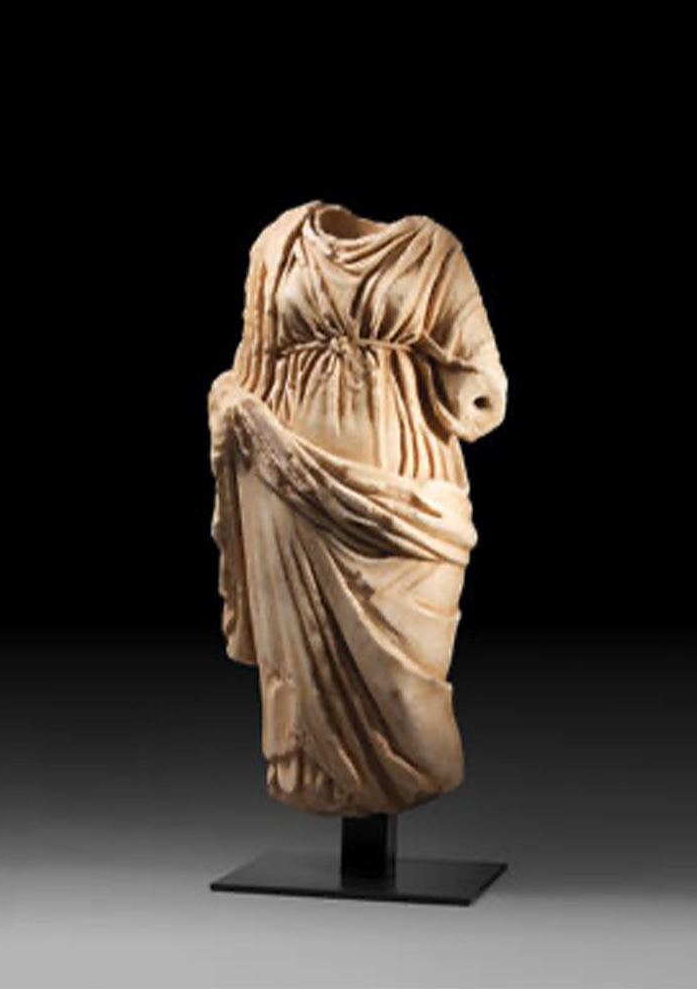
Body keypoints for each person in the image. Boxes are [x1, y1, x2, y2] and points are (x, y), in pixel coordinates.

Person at [208, 200, 507, 816]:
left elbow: (483, 387)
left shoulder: (434, 253)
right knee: (305, 666)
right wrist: (234, 409)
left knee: (405, 685)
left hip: (405, 492)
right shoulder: (278, 245)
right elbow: (249, 366)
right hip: (285, 480)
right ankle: (319, 777)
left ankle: (406, 772)